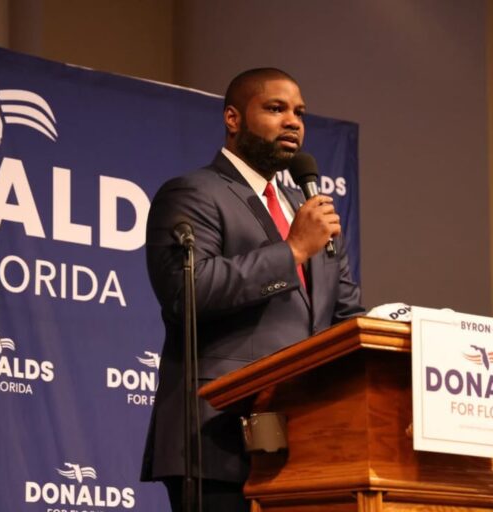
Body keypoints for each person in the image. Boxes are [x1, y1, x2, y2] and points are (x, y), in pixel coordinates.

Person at [140, 68, 364, 511]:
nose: (293, 121)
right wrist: (293, 250)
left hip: (307, 442)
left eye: (299, 112)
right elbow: (189, 292)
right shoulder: (192, 193)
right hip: (218, 438)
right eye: (275, 108)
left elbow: (345, 319)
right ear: (233, 118)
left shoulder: (308, 210)